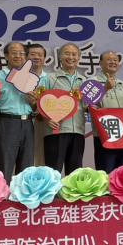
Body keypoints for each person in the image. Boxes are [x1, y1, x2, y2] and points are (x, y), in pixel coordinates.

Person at [0, 42, 36, 182]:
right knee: (5, 165)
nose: (18, 56)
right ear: (6, 56)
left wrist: (33, 101)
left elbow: (35, 107)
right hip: (7, 122)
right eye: (14, 53)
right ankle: (3, 194)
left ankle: (22, 195)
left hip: (28, 123)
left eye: (22, 53)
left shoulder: (31, 77)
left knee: (26, 167)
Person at [43, 43, 86, 174]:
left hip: (78, 131)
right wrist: (46, 119)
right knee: (53, 172)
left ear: (78, 58)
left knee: (74, 174)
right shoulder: (50, 78)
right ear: (60, 57)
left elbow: (87, 106)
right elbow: (40, 103)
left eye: (74, 54)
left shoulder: (84, 81)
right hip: (56, 131)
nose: (71, 57)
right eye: (67, 53)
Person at [91, 50, 123, 172]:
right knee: (106, 171)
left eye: (115, 60)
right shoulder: (92, 82)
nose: (113, 62)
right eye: (109, 60)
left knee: (121, 171)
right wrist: (105, 88)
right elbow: (88, 106)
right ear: (100, 63)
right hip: (104, 135)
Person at [26, 43, 48, 166]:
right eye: (32, 54)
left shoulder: (50, 78)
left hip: (42, 123)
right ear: (26, 57)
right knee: (21, 158)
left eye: (40, 55)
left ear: (44, 59)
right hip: (22, 121)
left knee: (41, 158)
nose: (36, 57)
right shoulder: (19, 78)